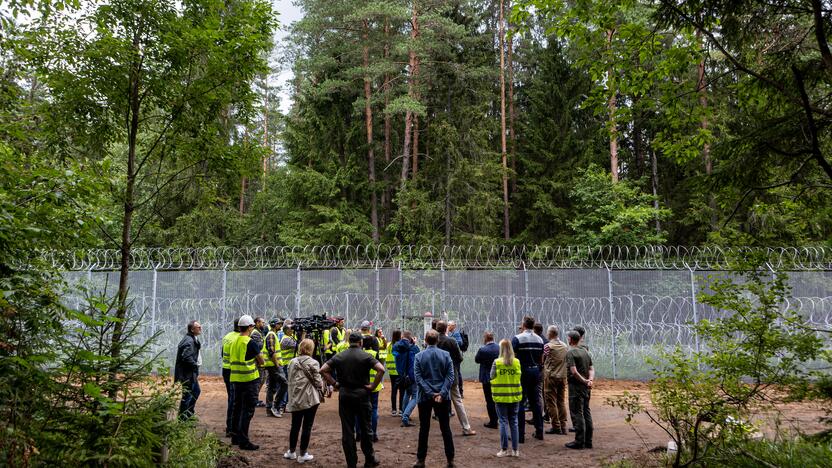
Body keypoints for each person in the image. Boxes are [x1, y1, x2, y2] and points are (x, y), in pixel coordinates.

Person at [320, 332, 385, 468]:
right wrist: (373, 386)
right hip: (362, 395)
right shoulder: (366, 356)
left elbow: (323, 369)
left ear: (349, 342)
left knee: (348, 430)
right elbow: (381, 369)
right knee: (366, 428)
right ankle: (369, 459)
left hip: (345, 395)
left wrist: (335, 383)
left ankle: (351, 462)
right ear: (361, 343)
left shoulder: (340, 356)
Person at [411, 329, 456, 468]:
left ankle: (421, 460)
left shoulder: (419, 356)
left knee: (424, 428)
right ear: (438, 340)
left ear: (425, 340)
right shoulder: (446, 355)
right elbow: (450, 376)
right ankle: (450, 460)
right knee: (445, 428)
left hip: (425, 396)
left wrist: (430, 393)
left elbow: (418, 378)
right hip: (443, 397)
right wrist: (441, 393)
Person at [283, 338, 325, 463]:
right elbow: (318, 382)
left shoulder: (292, 362)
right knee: (307, 426)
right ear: (311, 349)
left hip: (295, 398)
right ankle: (303, 454)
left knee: (295, 426)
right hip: (310, 399)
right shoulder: (314, 363)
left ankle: (291, 452)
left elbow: (289, 379)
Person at [435, 321, 476, 436]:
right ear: (446, 329)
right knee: (457, 400)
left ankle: (441, 427)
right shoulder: (451, 341)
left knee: (438, 399)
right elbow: (459, 358)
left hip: (437, 376)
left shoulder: (434, 340)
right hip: (451, 374)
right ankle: (466, 427)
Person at [230, 314, 264, 450]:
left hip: (236, 379)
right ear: (250, 327)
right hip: (249, 380)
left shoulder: (234, 341)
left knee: (237, 408)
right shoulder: (250, 342)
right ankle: (244, 441)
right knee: (248, 410)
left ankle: (235, 437)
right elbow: (261, 361)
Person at [512, 316, 544, 442]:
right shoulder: (539, 339)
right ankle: (539, 431)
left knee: (520, 401)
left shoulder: (518, 338)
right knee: (535, 402)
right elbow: (541, 359)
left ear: (523, 324)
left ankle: (520, 435)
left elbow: (512, 356)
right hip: (535, 371)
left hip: (522, 371)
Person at [490, 339, 522, 457]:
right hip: (514, 395)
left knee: (503, 421)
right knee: (514, 421)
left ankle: (504, 449)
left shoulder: (497, 362)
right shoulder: (517, 362)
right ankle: (515, 450)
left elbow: (491, 376)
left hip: (501, 396)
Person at [565, 330, 594, 449]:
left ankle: (579, 441)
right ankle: (588, 441)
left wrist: (584, 381)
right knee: (586, 411)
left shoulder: (571, 353)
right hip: (586, 387)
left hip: (576, 387)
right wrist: (590, 380)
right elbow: (591, 368)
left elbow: (574, 371)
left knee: (577, 412)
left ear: (571, 339)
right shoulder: (585, 351)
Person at [356, 334, 383, 442]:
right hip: (374, 386)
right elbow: (380, 369)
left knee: (358, 411)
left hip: (361, 386)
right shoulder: (375, 354)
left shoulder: (359, 354)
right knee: (374, 410)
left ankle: (358, 434)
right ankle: (373, 434)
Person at [543, 326, 568, 435]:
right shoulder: (564, 346)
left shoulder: (548, 346)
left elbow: (543, 360)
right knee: (561, 401)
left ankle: (556, 426)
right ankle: (563, 426)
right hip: (562, 376)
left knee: (550, 402)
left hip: (551, 376)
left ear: (550, 334)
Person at [174, 320, 202, 420]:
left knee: (195, 392)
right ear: (192, 329)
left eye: (200, 326)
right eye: (198, 327)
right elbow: (186, 356)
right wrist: (195, 365)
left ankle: (188, 415)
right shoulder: (189, 340)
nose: (200, 328)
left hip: (190, 373)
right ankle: (183, 420)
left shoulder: (192, 339)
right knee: (188, 396)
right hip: (187, 374)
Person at [475, 331, 499, 429]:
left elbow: (477, 360)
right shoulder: (499, 348)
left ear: (485, 338)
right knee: (497, 398)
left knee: (489, 400)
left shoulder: (482, 350)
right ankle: (498, 418)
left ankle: (493, 421)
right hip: (497, 377)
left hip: (486, 377)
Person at [265, 318, 288, 418]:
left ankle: (269, 408)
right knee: (284, 384)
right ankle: (276, 406)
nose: (281, 325)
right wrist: (277, 364)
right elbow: (271, 351)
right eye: (279, 324)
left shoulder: (273, 334)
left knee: (271, 386)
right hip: (274, 365)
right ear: (274, 325)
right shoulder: (271, 334)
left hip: (272, 365)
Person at [220, 319, 240, 436]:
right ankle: (232, 428)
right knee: (234, 400)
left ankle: (230, 426)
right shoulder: (239, 338)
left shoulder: (227, 336)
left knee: (231, 398)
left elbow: (222, 353)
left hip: (226, 369)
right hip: (234, 370)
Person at [397, 330, 420, 427]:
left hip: (403, 374)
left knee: (407, 393)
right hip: (412, 375)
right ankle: (405, 416)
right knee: (415, 396)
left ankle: (403, 413)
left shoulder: (399, 347)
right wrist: (415, 344)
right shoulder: (414, 349)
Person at [279, 319, 298, 413]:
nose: (293, 330)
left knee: (289, 385)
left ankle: (285, 404)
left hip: (288, 365)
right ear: (286, 330)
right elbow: (299, 345)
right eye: (291, 329)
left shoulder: (289, 337)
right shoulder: (286, 339)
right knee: (287, 385)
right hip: (286, 365)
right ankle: (283, 404)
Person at [251, 316, 267, 408]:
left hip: (260, 360)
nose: (263, 324)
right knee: (259, 380)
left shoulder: (259, 332)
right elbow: (258, 347)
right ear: (257, 323)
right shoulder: (255, 333)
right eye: (262, 322)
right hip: (258, 361)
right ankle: (254, 399)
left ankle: (255, 398)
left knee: (262, 379)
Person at [386, 330, 402, 416]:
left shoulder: (389, 345)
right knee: (402, 390)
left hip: (391, 370)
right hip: (399, 370)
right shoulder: (400, 345)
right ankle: (401, 409)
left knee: (394, 390)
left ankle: (393, 410)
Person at [447, 321, 464, 397]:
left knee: (457, 372)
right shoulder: (450, 333)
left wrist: (451, 341)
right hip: (451, 356)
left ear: (453, 326)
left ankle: (460, 390)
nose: (448, 326)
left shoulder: (456, 333)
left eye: (449, 325)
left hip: (455, 357)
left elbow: (460, 343)